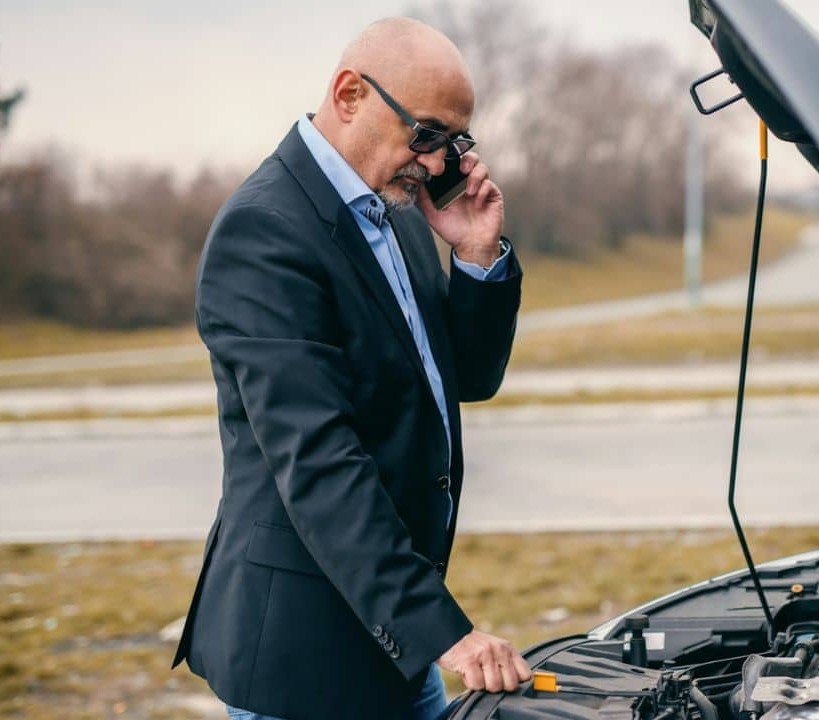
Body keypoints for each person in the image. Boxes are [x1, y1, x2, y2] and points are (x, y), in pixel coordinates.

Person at [171, 17, 532, 720]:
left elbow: (466, 378)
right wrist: (444, 633)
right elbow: (319, 461)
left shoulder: (397, 211)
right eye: (425, 135)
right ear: (348, 95)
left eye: (454, 143)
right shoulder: (266, 231)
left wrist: (476, 257)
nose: (435, 163)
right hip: (303, 655)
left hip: (390, 638)